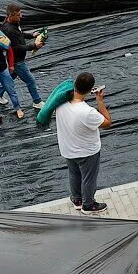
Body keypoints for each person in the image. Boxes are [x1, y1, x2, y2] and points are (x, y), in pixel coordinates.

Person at [54, 72, 112, 213]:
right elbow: (107, 123)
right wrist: (100, 101)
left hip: (67, 149)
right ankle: (88, 204)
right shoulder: (87, 112)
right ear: (89, 90)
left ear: (74, 85)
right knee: (88, 178)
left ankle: (77, 199)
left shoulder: (60, 104)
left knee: (74, 174)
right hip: (87, 151)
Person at [0, 4, 45, 109]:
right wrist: (33, 46)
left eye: (20, 13)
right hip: (17, 61)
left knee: (11, 78)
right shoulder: (8, 30)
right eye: (18, 15)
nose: (21, 16)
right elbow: (16, 47)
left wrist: (31, 35)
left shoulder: (14, 23)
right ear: (10, 16)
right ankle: (37, 102)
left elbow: (20, 33)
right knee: (30, 80)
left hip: (16, 60)